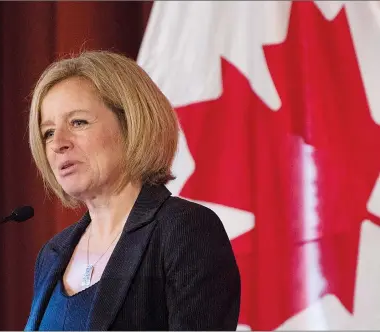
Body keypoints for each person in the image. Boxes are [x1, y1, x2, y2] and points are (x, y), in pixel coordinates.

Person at [24, 50, 240, 331]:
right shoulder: (52, 255)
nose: (58, 143)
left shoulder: (183, 231)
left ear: (131, 124)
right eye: (48, 132)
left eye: (78, 122)